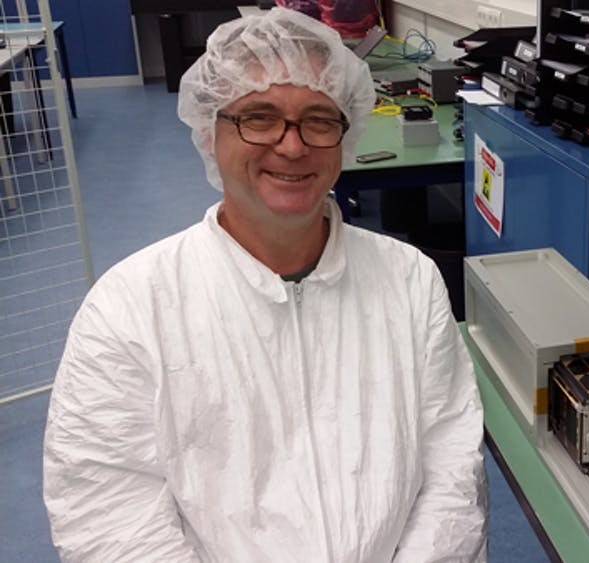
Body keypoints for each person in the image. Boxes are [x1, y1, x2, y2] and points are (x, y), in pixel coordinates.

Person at [42, 8, 486, 562]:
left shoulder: (409, 280)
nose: (293, 146)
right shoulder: (131, 307)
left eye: (319, 119)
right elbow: (107, 513)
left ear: (347, 132)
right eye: (259, 117)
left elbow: (450, 465)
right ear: (210, 129)